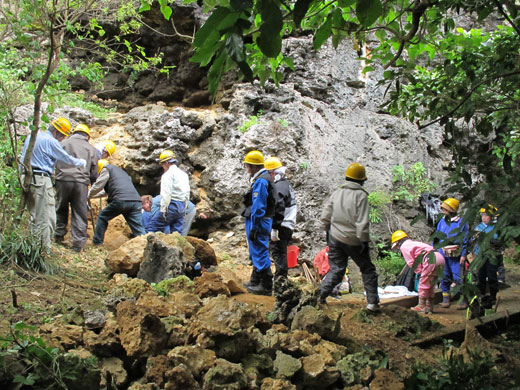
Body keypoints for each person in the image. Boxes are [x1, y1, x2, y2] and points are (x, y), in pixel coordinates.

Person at [319, 162, 380, 311]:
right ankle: (372, 303)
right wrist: (364, 241)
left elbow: (325, 216)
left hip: (335, 237)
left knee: (336, 269)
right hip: (354, 240)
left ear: (347, 177)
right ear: (362, 180)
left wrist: (329, 233)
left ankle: (319, 296)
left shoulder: (337, 193)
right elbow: (362, 222)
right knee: (367, 269)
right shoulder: (361, 195)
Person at [20, 117, 87, 250]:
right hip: (41, 180)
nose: (62, 140)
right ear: (57, 132)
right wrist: (81, 162)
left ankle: (32, 249)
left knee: (35, 216)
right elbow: (65, 158)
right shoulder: (50, 141)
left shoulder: (32, 136)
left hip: (26, 178)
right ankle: (43, 252)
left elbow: (23, 158)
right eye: (62, 137)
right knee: (47, 218)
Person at [54, 124, 99, 252]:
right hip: (81, 183)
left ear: (74, 133)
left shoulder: (63, 143)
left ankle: (58, 235)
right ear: (88, 136)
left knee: (61, 208)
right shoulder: (91, 149)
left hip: (63, 180)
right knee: (79, 212)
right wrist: (91, 181)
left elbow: (54, 160)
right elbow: (94, 170)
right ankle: (78, 244)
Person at [88, 159, 146, 245]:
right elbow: (107, 191)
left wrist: (87, 195)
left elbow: (98, 185)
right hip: (135, 201)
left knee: (102, 216)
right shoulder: (121, 173)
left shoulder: (106, 168)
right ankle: (146, 245)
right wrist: (92, 196)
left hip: (121, 200)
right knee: (138, 228)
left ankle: (97, 243)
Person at [241, 150, 275, 295]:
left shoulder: (261, 181)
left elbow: (258, 207)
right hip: (260, 220)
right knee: (255, 251)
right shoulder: (262, 178)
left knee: (260, 251)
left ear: (254, 167)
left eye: (248, 166)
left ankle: (266, 286)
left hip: (259, 221)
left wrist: (254, 227)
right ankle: (255, 281)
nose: (247, 169)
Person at [391, 230, 445, 313]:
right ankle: (429, 307)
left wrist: (420, 272)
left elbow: (411, 263)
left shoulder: (404, 246)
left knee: (423, 284)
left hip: (430, 259)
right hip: (439, 258)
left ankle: (421, 306)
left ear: (398, 242)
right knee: (430, 285)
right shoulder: (413, 243)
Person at [264, 157, 297, 280]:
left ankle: (280, 282)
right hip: (287, 224)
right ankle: (281, 279)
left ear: (272, 172)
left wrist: (275, 228)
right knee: (281, 252)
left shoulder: (279, 186)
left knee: (278, 253)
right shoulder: (285, 184)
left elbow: (278, 206)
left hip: (282, 225)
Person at [435, 197, 469, 309]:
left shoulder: (461, 222)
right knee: (444, 276)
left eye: (445, 209)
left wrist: (464, 255)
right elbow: (437, 236)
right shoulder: (442, 221)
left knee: (458, 277)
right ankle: (446, 299)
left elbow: (466, 239)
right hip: (443, 253)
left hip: (456, 255)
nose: (443, 211)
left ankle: (462, 299)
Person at [147, 150, 190, 234]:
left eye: (162, 164)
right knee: (176, 233)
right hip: (182, 205)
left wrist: (163, 210)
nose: (162, 166)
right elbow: (187, 191)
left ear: (166, 162)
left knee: (152, 227)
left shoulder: (167, 175)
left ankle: (147, 246)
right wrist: (185, 206)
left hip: (171, 205)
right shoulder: (183, 174)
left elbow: (166, 193)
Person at [471, 205, 501, 304]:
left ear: (491, 217)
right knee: (480, 276)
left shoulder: (495, 227)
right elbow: (472, 240)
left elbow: (499, 240)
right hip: (480, 256)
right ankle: (481, 295)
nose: (484, 217)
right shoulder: (478, 227)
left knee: (492, 275)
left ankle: (493, 296)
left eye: (486, 215)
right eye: (482, 215)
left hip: (491, 255)